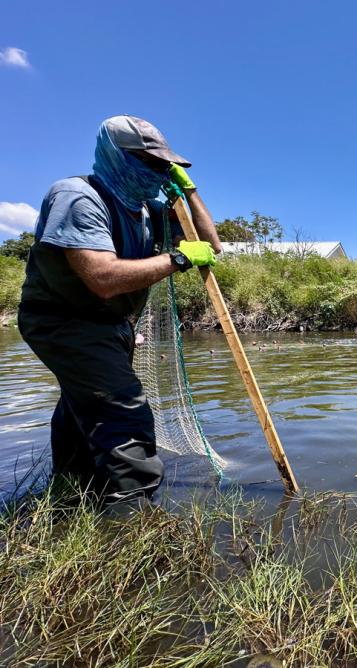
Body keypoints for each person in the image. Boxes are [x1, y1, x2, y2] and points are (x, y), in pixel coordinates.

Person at [18, 115, 223, 510]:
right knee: (123, 411)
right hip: (64, 320)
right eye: (150, 162)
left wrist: (189, 192)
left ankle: (73, 491)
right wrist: (177, 258)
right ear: (115, 157)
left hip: (112, 322)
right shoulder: (78, 197)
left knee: (86, 402)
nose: (158, 172)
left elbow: (211, 244)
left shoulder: (148, 208)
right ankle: (131, 521)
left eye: (165, 166)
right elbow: (103, 278)